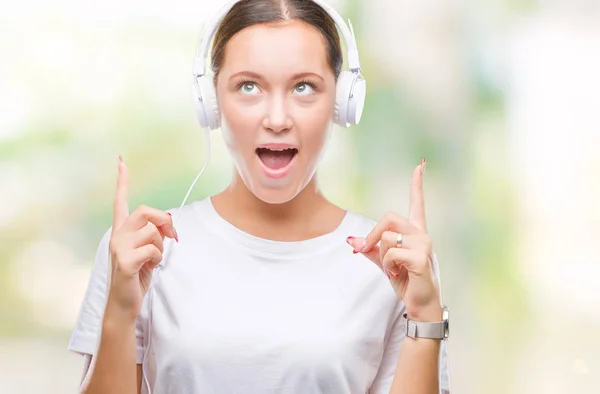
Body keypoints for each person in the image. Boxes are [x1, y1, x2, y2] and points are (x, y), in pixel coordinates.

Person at [67, 0, 451, 393]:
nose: (278, 119)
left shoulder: (394, 263)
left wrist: (424, 316)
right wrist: (118, 313)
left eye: (304, 87)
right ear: (211, 101)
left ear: (342, 101)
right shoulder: (143, 253)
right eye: (249, 86)